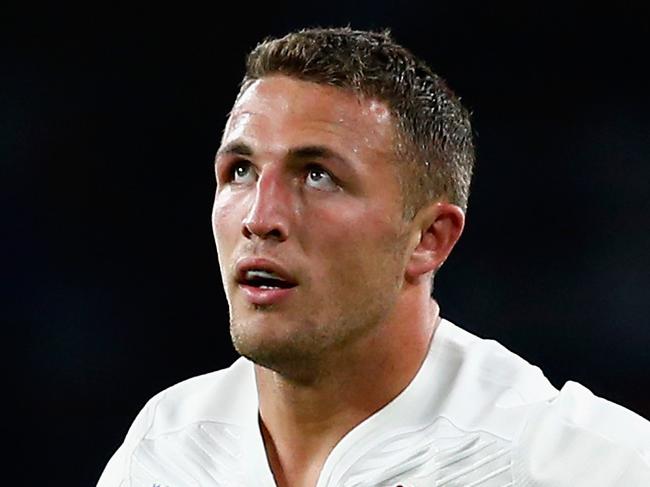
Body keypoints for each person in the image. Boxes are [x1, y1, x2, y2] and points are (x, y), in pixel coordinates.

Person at [97, 27, 650, 487]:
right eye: (241, 170)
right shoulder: (162, 451)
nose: (260, 217)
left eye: (318, 176)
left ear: (429, 238)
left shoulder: (579, 462)